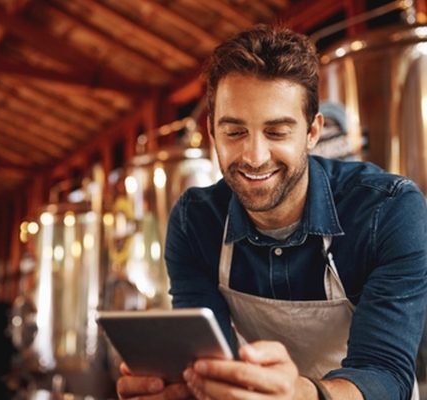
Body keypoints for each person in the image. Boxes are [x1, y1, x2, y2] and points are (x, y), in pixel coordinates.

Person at [116, 24, 427, 400]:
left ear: (312, 132)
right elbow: (212, 357)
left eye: (277, 132)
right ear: (212, 132)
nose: (254, 156)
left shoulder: (389, 210)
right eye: (234, 133)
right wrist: (182, 386)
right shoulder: (196, 222)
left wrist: (302, 395)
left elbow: (385, 373)